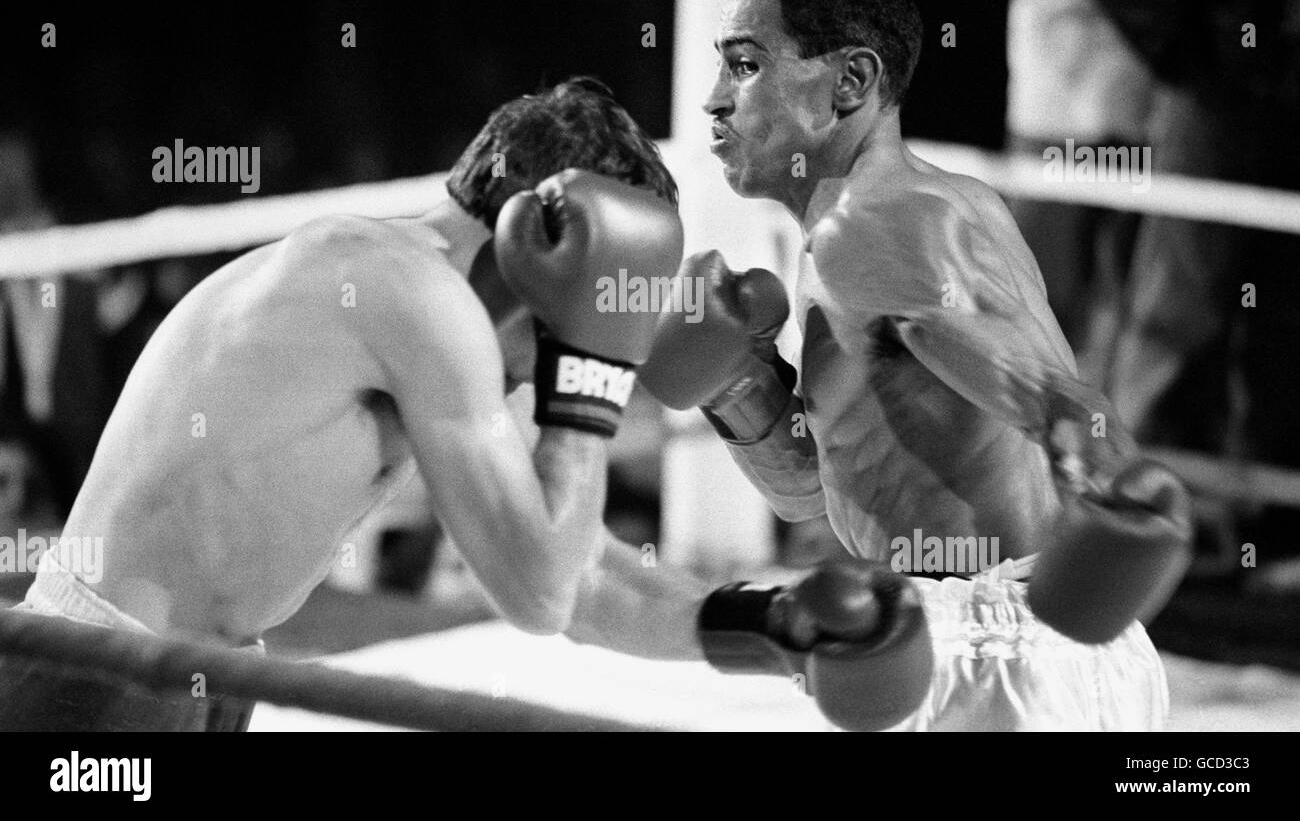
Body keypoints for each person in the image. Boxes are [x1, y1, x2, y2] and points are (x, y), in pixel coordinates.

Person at [0, 78, 930, 732]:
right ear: (540, 245)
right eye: (609, 289)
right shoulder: (402, 292)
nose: (597, 331)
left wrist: (766, 627)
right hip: (101, 678)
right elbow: (538, 591)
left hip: (192, 671)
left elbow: (573, 578)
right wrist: (590, 367)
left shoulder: (433, 316)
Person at [632, 0, 1193, 730]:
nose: (715, 101)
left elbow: (1054, 401)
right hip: (1017, 638)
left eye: (747, 66)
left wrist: (1114, 494)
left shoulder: (871, 228)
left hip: (994, 644)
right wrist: (736, 383)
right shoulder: (911, 215)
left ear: (850, 82)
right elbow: (811, 487)